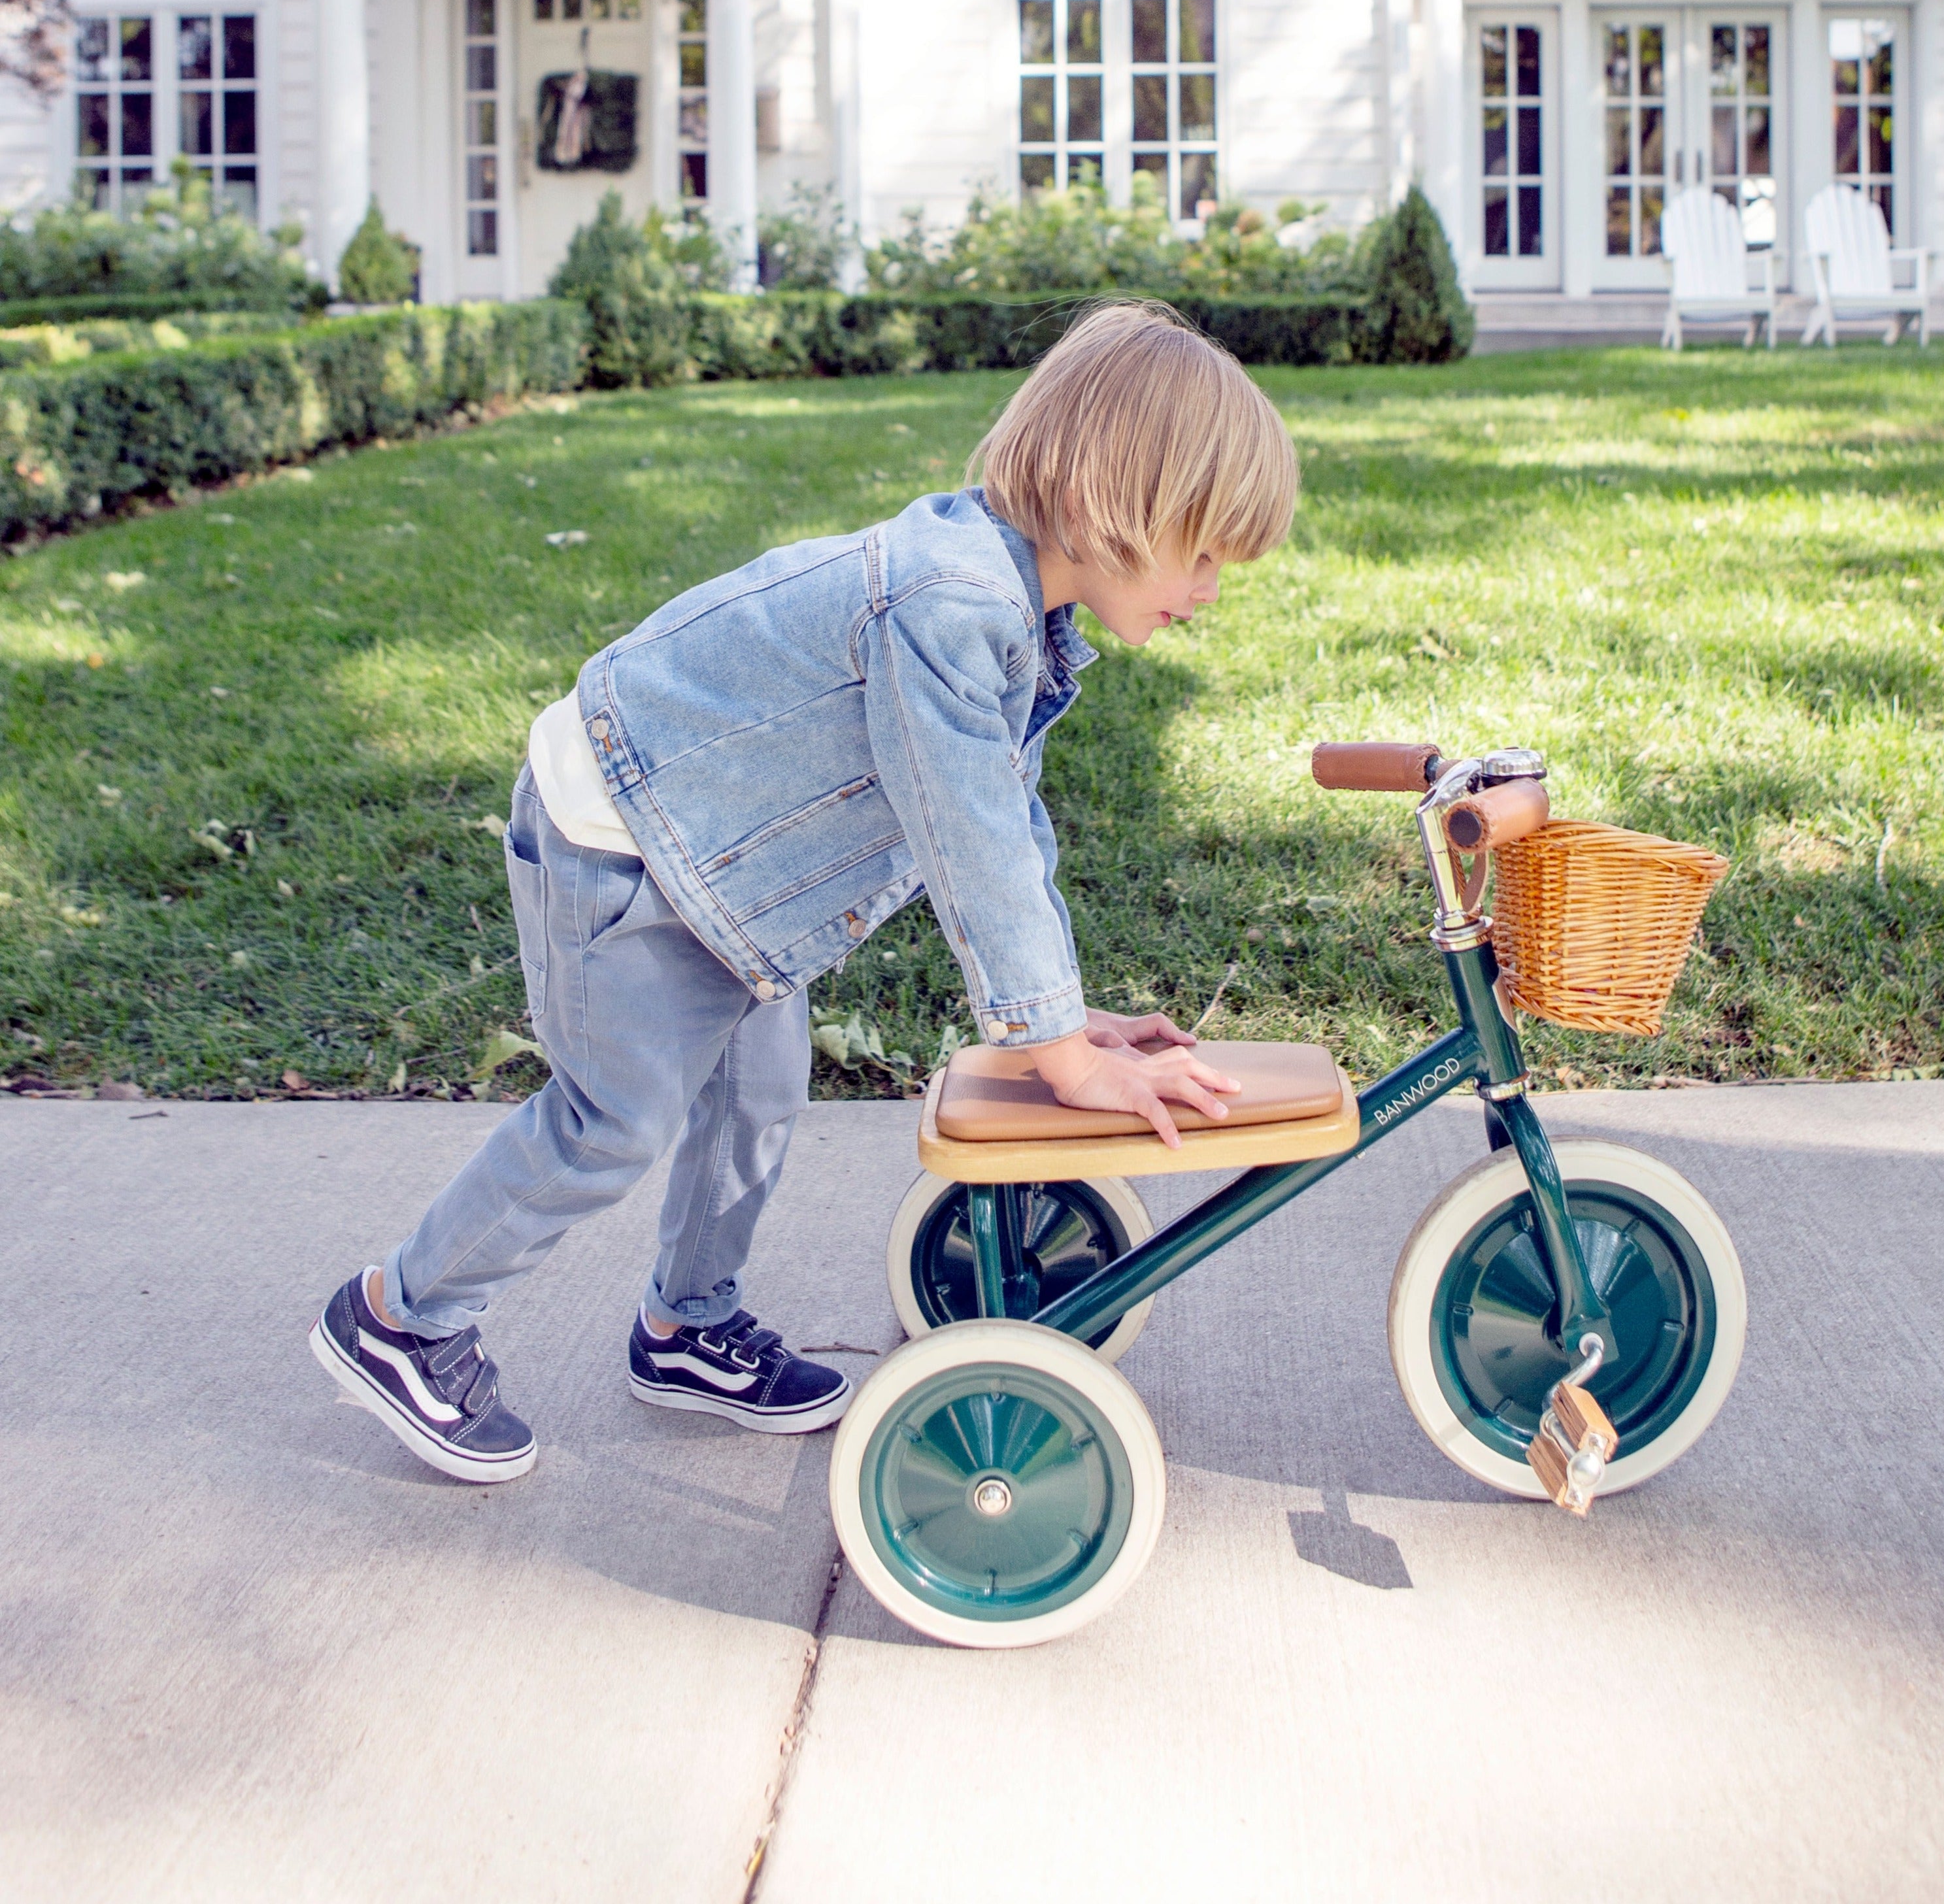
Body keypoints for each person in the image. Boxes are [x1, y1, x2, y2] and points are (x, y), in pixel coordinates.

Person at [310, 299, 1299, 1484]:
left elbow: (1001, 820)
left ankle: (684, 1325)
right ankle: (398, 1314)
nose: (1209, 588)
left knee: (758, 1102)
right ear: (1110, 509)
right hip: (621, 835)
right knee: (613, 1120)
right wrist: (1063, 1059)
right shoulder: (951, 601)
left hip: (724, 871)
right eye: (1201, 554)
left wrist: (1064, 1020)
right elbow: (970, 838)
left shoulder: (1019, 612)